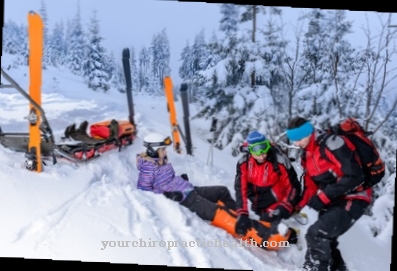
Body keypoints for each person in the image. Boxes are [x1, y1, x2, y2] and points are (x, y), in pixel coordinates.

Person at [136, 132, 297, 250]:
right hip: (185, 199)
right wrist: (169, 195)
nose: (166, 151)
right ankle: (267, 237)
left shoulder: (162, 161)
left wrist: (180, 181)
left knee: (221, 191)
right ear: (153, 149)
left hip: (190, 190)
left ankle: (240, 216)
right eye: (163, 149)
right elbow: (144, 192)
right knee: (220, 212)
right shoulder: (148, 169)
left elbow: (166, 180)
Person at [286, 117, 371, 271]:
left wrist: (323, 197)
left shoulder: (331, 144)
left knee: (316, 234)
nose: (296, 144)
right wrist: (295, 207)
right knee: (327, 241)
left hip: (354, 197)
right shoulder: (307, 155)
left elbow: (355, 176)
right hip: (333, 200)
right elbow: (311, 187)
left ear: (308, 132)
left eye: (298, 138)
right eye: (293, 140)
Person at [234, 131, 302, 236]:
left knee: (266, 220)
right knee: (260, 216)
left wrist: (285, 206)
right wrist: (242, 213)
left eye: (264, 148)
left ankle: (288, 232)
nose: (262, 155)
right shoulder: (244, 163)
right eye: (256, 151)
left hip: (279, 200)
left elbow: (293, 187)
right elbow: (240, 189)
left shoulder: (279, 161)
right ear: (250, 150)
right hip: (258, 202)